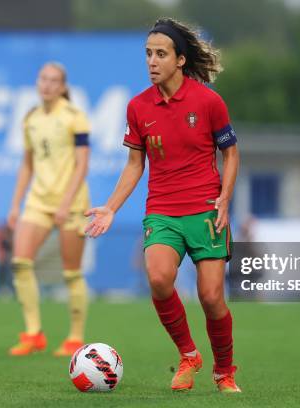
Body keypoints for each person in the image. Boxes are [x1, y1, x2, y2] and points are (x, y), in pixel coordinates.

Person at [85, 18, 241, 393]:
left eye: (160, 54)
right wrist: (110, 207)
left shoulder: (208, 102)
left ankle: (224, 372)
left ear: (180, 60)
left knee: (211, 298)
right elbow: (135, 164)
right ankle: (189, 355)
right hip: (163, 210)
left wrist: (224, 198)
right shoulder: (138, 107)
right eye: (148, 54)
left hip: (205, 209)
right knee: (157, 278)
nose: (152, 61)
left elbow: (231, 154)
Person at [7, 62, 91, 357]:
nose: (47, 85)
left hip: (72, 202)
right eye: (43, 79)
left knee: (71, 273)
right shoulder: (30, 118)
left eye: (54, 81)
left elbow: (82, 164)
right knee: (20, 263)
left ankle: (75, 338)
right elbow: (27, 163)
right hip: (39, 201)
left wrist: (67, 203)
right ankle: (33, 333)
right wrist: (15, 204)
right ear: (37, 82)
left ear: (63, 87)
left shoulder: (74, 117)